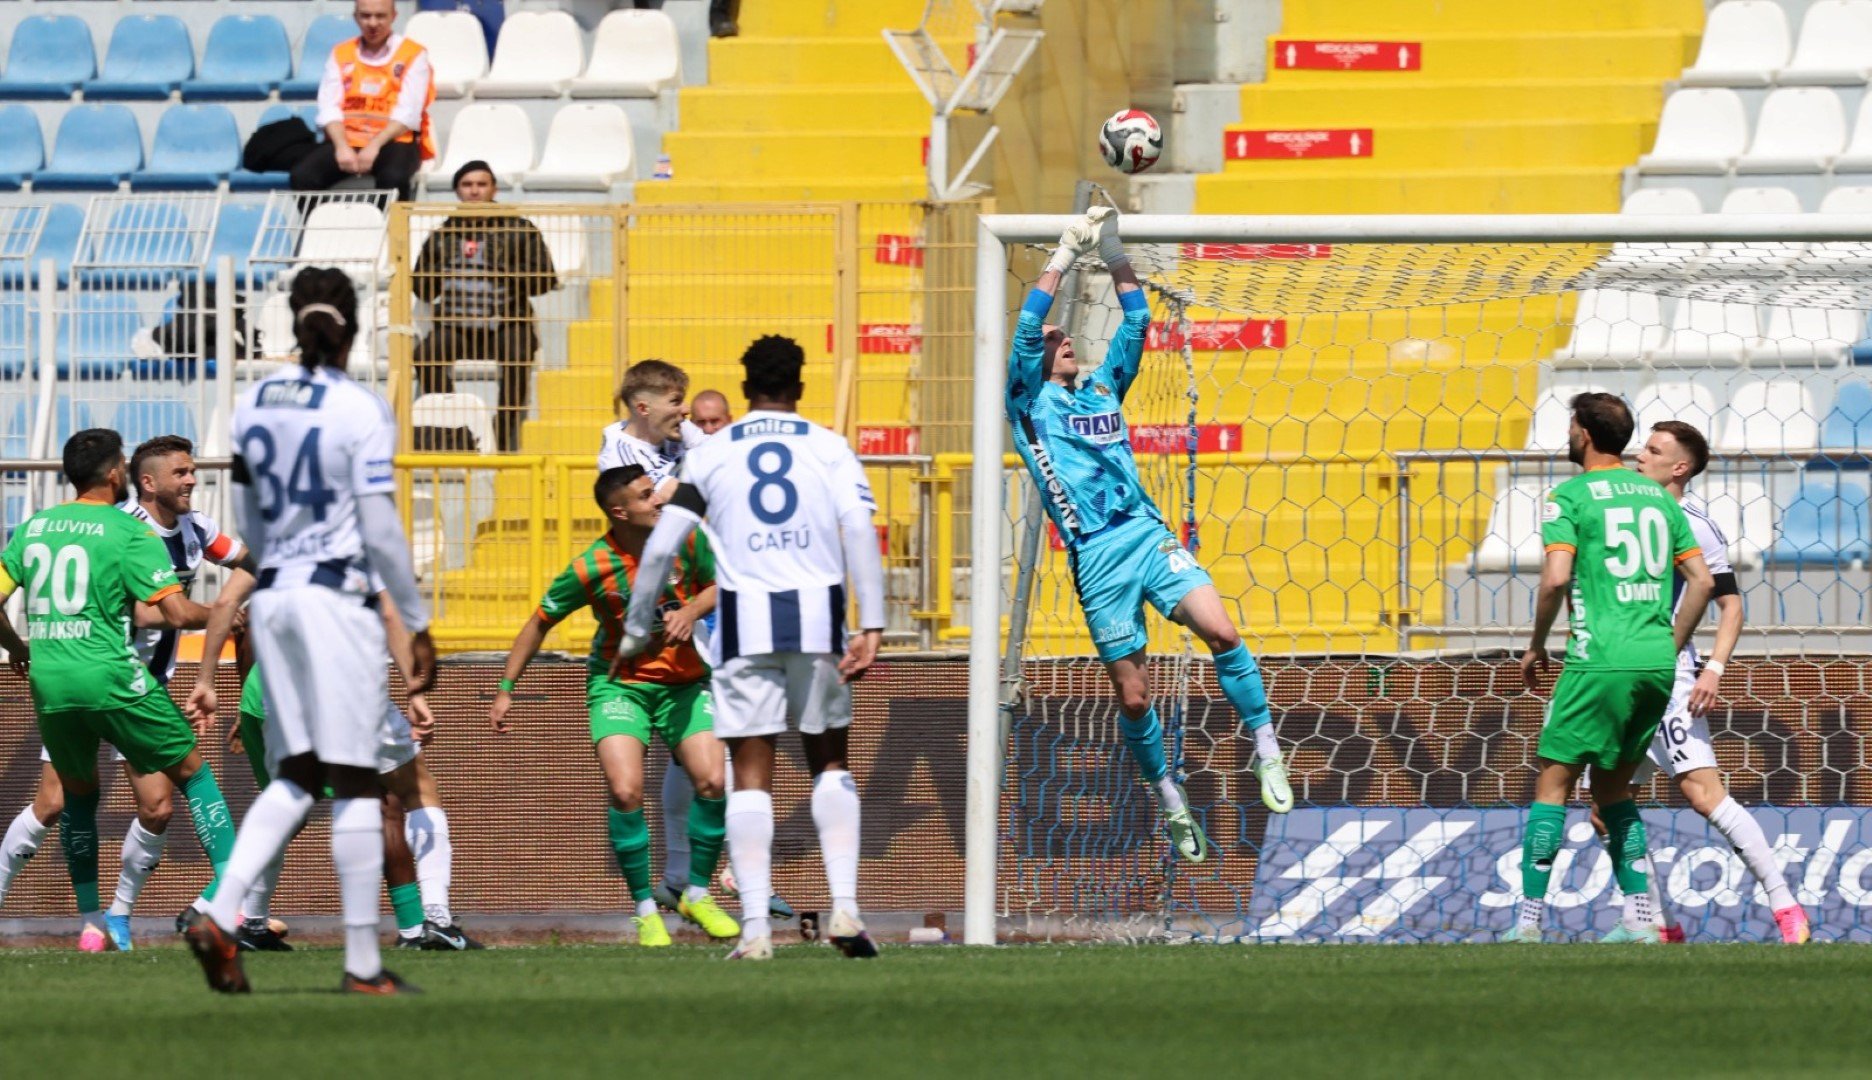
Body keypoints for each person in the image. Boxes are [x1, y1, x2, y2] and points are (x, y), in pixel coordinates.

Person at [1005, 208, 1292, 865]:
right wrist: (1064, 254)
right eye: (1054, 338)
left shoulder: (1103, 389)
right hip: (1096, 557)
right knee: (1133, 696)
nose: (1063, 338)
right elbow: (1026, 327)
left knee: (1221, 631)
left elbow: (1136, 322)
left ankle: (1267, 749)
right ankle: (1168, 797)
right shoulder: (1028, 404)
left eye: (1065, 334)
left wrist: (1113, 252)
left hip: (1145, 532)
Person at [183, 267, 435, 996]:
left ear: (292, 323)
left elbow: (252, 525)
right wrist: (417, 622)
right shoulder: (358, 407)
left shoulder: (252, 404)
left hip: (278, 599)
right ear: (352, 329)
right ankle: (361, 964)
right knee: (358, 778)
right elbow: (381, 525)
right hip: (335, 599)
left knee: (297, 772)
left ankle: (221, 912)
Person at [618, 334, 885, 962]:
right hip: (818, 621)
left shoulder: (712, 454)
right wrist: (871, 623)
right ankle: (845, 908)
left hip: (744, 629)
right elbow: (859, 530)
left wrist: (636, 626)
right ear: (799, 386)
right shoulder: (829, 446)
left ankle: (758, 931)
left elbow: (661, 547)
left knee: (750, 777)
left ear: (745, 390)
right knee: (830, 762)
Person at [0, 431, 239, 953]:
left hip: (52, 679)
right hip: (114, 677)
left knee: (83, 795)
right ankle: (233, 899)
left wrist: (17, 648)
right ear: (117, 475)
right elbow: (174, 612)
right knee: (193, 773)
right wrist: (228, 615)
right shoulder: (127, 532)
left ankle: (97, 923)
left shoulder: (34, 525)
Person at [490, 465, 740, 946]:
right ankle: (645, 908)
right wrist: (506, 688)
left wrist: (689, 611)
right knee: (626, 790)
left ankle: (698, 894)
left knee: (712, 780)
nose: (659, 502)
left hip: (686, 683)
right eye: (648, 497)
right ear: (619, 511)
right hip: (620, 686)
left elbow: (719, 584)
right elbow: (540, 621)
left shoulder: (686, 540)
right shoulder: (591, 566)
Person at [1504, 394, 1716, 944]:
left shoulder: (1568, 495)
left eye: (1571, 425)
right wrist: (1668, 644)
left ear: (1582, 432)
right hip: (1653, 665)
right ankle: (1642, 921)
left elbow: (1554, 579)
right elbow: (1702, 582)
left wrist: (1534, 646)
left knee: (1553, 786)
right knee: (1614, 791)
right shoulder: (1658, 496)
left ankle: (1527, 923)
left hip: (1596, 658)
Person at [1595, 420, 1807, 945]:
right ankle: (1653, 923)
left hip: (1666, 679)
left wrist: (1711, 669)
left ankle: (1788, 911)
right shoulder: (1635, 518)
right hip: (1623, 675)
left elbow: (1730, 605)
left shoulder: (1693, 524)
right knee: (1605, 806)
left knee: (1704, 795)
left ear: (1679, 467)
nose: (1639, 456)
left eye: (1653, 450)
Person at [190, 571, 480, 952]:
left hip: (269, 694)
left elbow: (229, 605)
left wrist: (207, 680)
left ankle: (251, 922)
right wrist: (415, 689)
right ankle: (436, 919)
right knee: (415, 792)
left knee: (284, 810)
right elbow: (390, 615)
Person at [411, 160, 560, 453]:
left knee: (518, 357)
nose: (475, 191)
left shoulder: (519, 228)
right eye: (467, 185)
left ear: (493, 188)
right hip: (455, 325)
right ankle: (455, 426)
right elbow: (421, 288)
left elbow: (546, 280)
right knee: (425, 355)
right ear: (457, 191)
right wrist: (440, 272)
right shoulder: (442, 234)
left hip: (506, 322)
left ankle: (503, 438)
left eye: (481, 184)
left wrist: (504, 268)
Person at [293, 0, 437, 201]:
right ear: (356, 17)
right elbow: (328, 107)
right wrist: (342, 146)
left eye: (380, 16)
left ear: (393, 17)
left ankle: (391, 232)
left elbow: (409, 112)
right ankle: (322, 230)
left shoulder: (413, 54)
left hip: (394, 140)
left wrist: (374, 146)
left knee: (393, 177)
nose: (372, 23)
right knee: (303, 176)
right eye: (365, 16)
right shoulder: (341, 53)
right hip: (348, 138)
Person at [597, 360, 706, 499]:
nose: (686, 409)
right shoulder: (620, 460)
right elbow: (682, 498)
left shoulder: (675, 425)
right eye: (675, 401)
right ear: (643, 409)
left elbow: (720, 454)